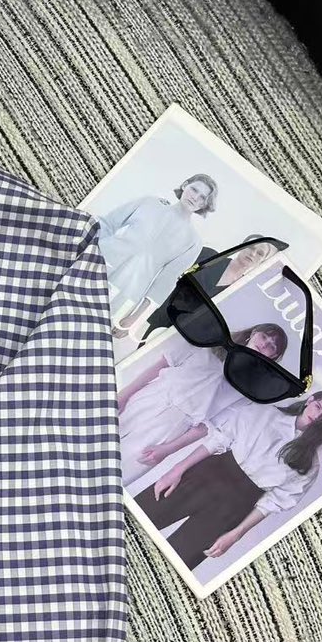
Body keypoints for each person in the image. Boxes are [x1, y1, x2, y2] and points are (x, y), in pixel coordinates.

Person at [132, 391, 322, 571]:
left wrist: (236, 534)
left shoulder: (310, 464)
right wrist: (177, 470)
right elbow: (218, 440)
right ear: (310, 400)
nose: (317, 416)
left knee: (176, 562)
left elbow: (272, 503)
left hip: (233, 508)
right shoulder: (264, 413)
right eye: (318, 407)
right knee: (136, 519)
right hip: (204, 475)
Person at [117, 323, 288, 486]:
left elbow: (207, 426)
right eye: (264, 336)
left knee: (122, 469)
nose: (265, 344)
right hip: (149, 398)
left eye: (272, 346)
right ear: (254, 333)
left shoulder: (249, 391)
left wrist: (168, 449)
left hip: (172, 428)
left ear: (273, 357)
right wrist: (123, 395)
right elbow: (162, 364)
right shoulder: (210, 343)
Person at [97, 174, 219, 340]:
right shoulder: (150, 203)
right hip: (96, 267)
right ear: (185, 185)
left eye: (203, 197)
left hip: (125, 291)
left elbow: (165, 281)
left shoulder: (193, 241)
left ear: (205, 204)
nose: (195, 197)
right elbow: (107, 223)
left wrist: (136, 319)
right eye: (194, 189)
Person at [143, 234, 285, 341]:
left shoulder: (239, 292)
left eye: (260, 253)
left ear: (262, 262)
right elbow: (170, 276)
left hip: (185, 336)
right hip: (163, 318)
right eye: (251, 247)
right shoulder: (209, 257)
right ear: (241, 245)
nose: (253, 253)